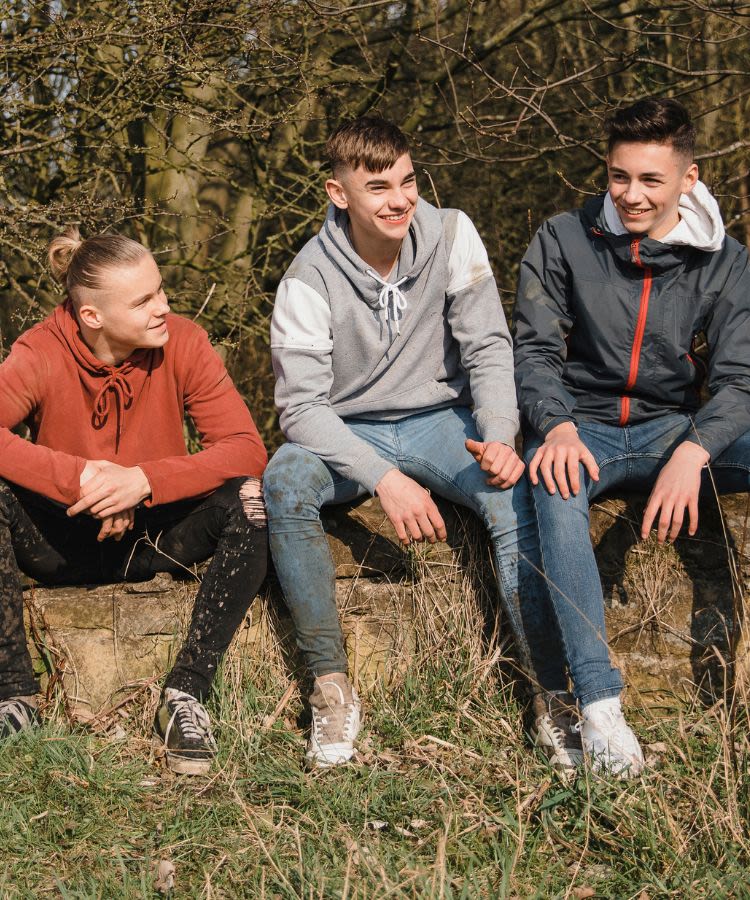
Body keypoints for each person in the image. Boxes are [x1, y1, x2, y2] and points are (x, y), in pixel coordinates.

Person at [263, 116, 575, 770]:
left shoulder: (452, 234)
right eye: (378, 187)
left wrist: (498, 435)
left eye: (408, 180)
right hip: (345, 431)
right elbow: (301, 409)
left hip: (443, 419)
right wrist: (384, 477)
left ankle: (552, 697)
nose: (400, 198)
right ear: (338, 193)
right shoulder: (305, 278)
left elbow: (489, 346)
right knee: (285, 481)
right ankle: (331, 687)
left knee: (509, 495)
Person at [514, 97, 750, 777]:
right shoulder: (562, 237)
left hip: (674, 430)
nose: (632, 195)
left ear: (688, 177)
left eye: (651, 180)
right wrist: (553, 424)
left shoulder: (724, 261)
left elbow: (740, 380)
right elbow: (532, 351)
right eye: (620, 177)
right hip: (581, 429)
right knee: (552, 489)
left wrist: (694, 450)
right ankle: (598, 704)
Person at [0, 227, 268, 775]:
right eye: (143, 300)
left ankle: (186, 695)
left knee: (253, 500)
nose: (163, 307)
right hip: (61, 539)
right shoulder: (40, 350)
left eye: (161, 291)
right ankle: (14, 697)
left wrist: (143, 480)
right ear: (92, 316)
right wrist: (84, 480)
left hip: (156, 535)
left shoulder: (186, 343)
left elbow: (246, 448)